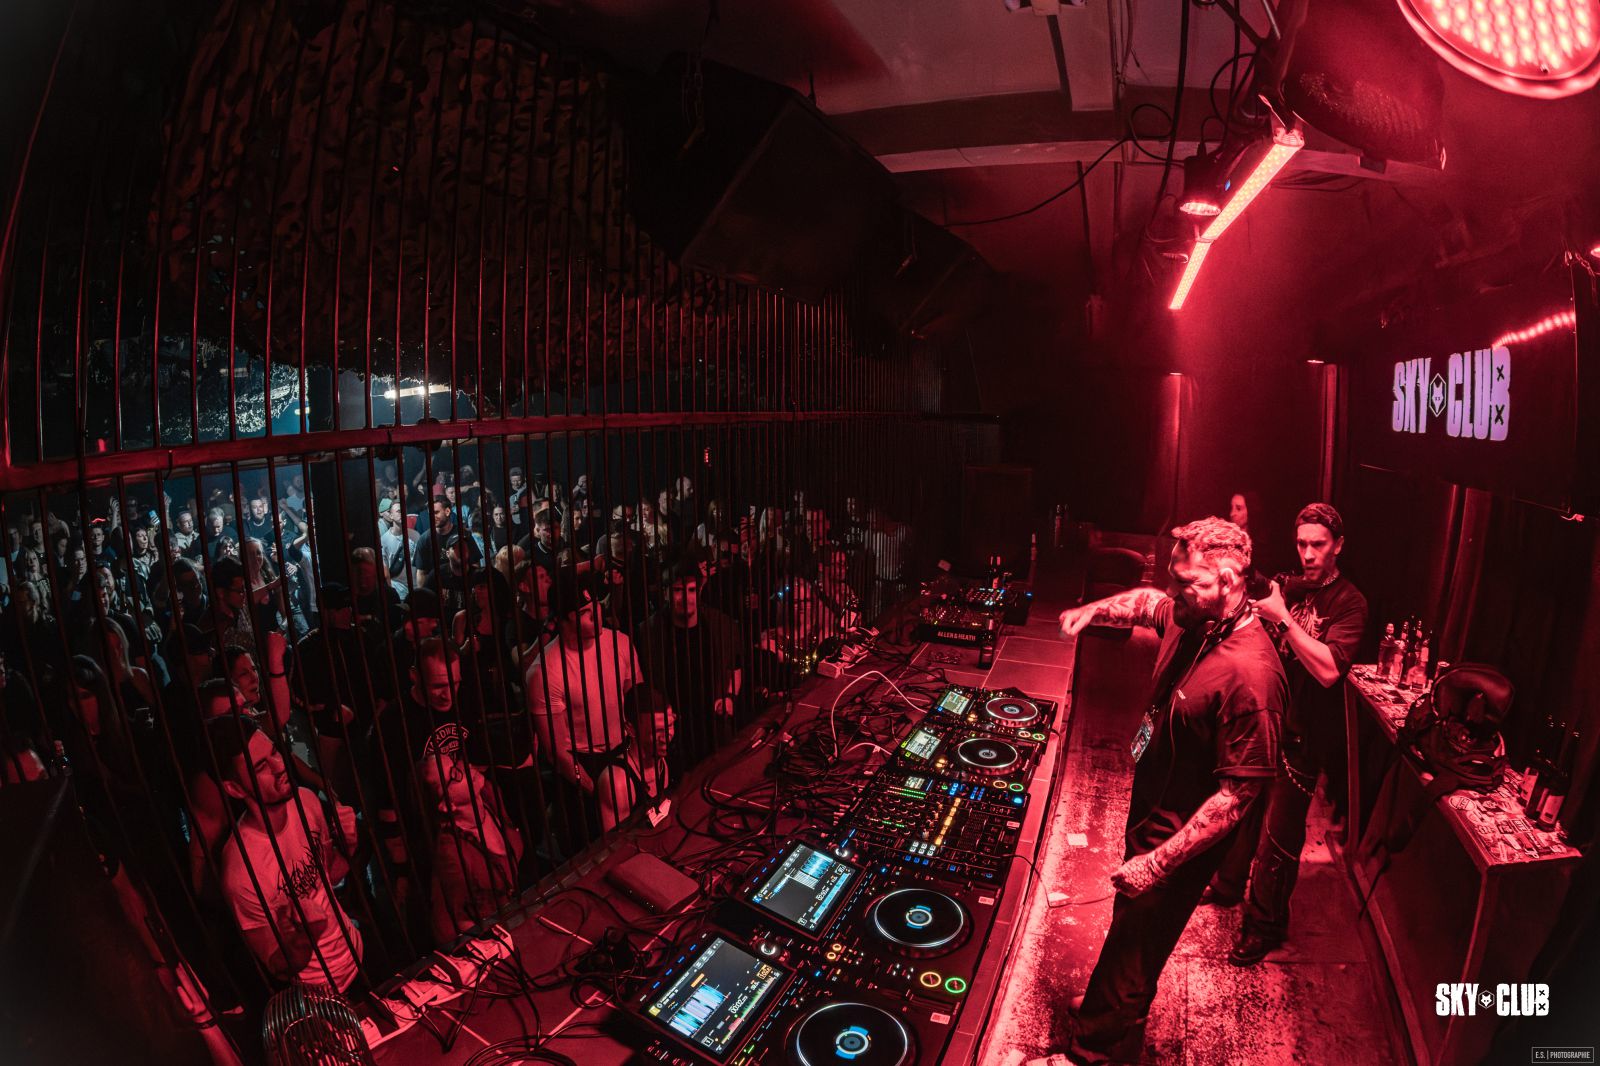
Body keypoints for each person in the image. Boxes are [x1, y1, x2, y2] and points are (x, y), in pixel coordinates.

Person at [1054, 516, 1286, 1062]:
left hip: (1183, 835)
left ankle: (1091, 1049)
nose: (1175, 592)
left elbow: (1237, 798)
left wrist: (1156, 864)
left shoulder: (1253, 677)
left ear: (1229, 580)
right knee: (1136, 931)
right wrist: (1093, 612)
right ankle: (1119, 1006)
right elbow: (1146, 604)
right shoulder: (1195, 615)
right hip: (1155, 804)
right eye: (1175, 579)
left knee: (1139, 934)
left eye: (1189, 583)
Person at [1224, 503, 1367, 966]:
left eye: (1318, 545)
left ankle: (1264, 926)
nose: (1308, 554)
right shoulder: (1288, 586)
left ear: (1338, 545)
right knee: (1239, 812)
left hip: (1302, 738)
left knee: (1278, 837)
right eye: (1302, 544)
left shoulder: (1349, 603)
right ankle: (1227, 886)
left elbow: (1328, 671)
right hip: (1263, 722)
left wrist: (1283, 619)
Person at [209, 717, 364, 992]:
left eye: (274, 752)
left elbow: (329, 875)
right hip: (319, 991)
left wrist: (348, 845)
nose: (280, 765)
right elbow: (277, 966)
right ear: (234, 788)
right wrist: (303, 935)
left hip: (356, 952)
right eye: (261, 766)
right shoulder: (240, 870)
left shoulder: (306, 801)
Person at [523, 573, 643, 832]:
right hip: (583, 763)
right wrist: (594, 789)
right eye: (584, 612)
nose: (596, 615)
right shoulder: (545, 672)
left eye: (596, 605)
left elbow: (638, 704)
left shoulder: (620, 643)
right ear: (562, 619)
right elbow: (557, 752)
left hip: (625, 750)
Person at [640, 560, 742, 763]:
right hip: (672, 731)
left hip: (713, 725)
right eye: (678, 590)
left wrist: (729, 697)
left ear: (700, 590)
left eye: (692, 590)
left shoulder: (721, 626)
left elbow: (735, 667)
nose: (686, 597)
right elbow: (643, 682)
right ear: (666, 593)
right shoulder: (649, 632)